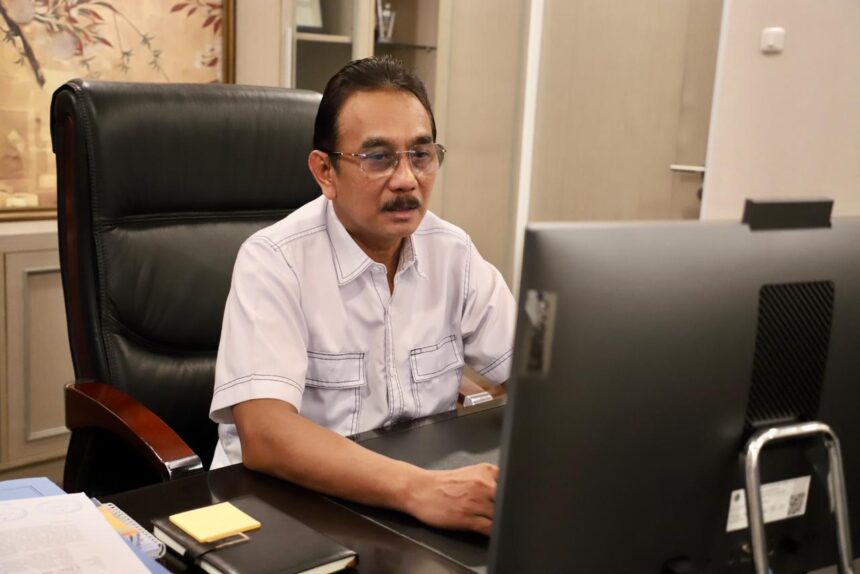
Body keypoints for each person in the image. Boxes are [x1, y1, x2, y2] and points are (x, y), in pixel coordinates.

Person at [209, 56, 516, 536]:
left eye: (420, 154)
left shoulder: (453, 252)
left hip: (412, 504)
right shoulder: (274, 261)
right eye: (378, 157)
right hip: (284, 510)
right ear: (325, 172)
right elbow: (266, 435)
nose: (407, 179)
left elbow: (539, 383)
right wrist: (418, 490)